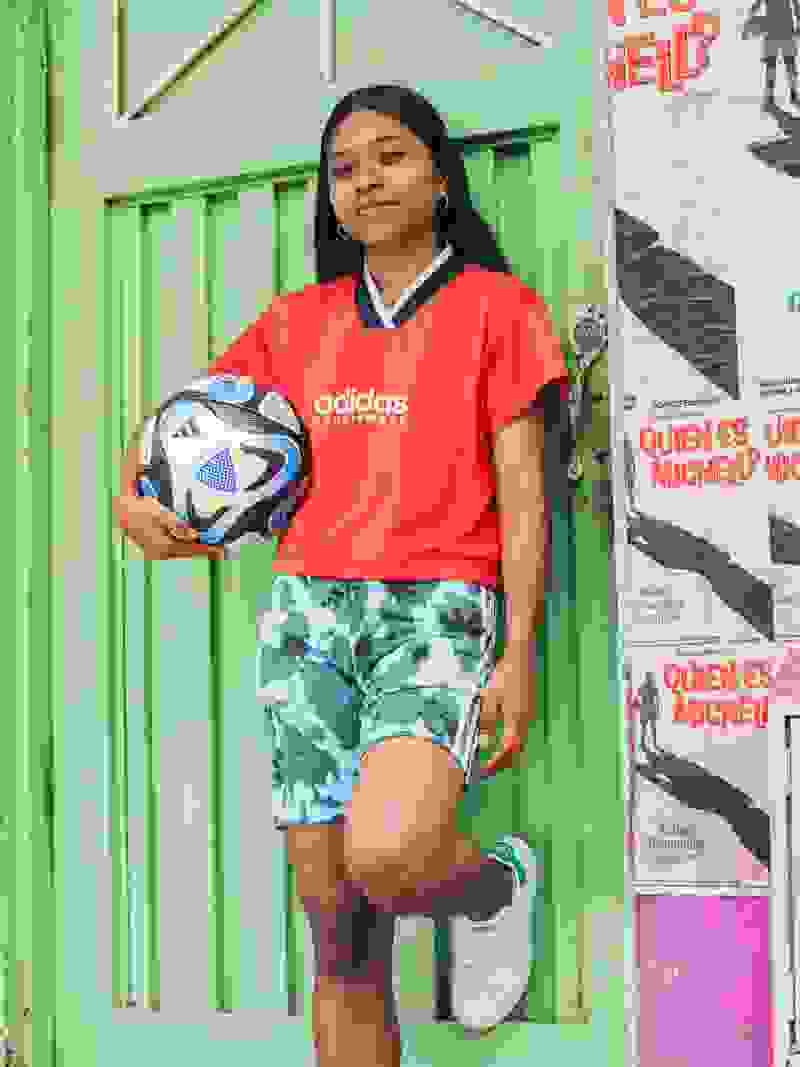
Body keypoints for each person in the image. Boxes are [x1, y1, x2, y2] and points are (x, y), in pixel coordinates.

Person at [113, 83, 569, 1067]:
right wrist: (139, 506)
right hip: (307, 617)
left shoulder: (499, 308)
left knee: (389, 850)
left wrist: (518, 649)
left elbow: (525, 495)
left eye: (391, 156)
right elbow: (183, 442)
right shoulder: (294, 324)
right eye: (344, 167)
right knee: (339, 933)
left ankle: (486, 888)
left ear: (440, 178)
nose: (365, 181)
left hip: (437, 609)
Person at [743, 0, 800, 110]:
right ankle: (788, 94)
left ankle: (774, 96)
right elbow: (796, 6)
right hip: (782, 30)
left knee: (776, 65)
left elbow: (755, 7)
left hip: (777, 31)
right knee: (786, 64)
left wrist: (748, 23)